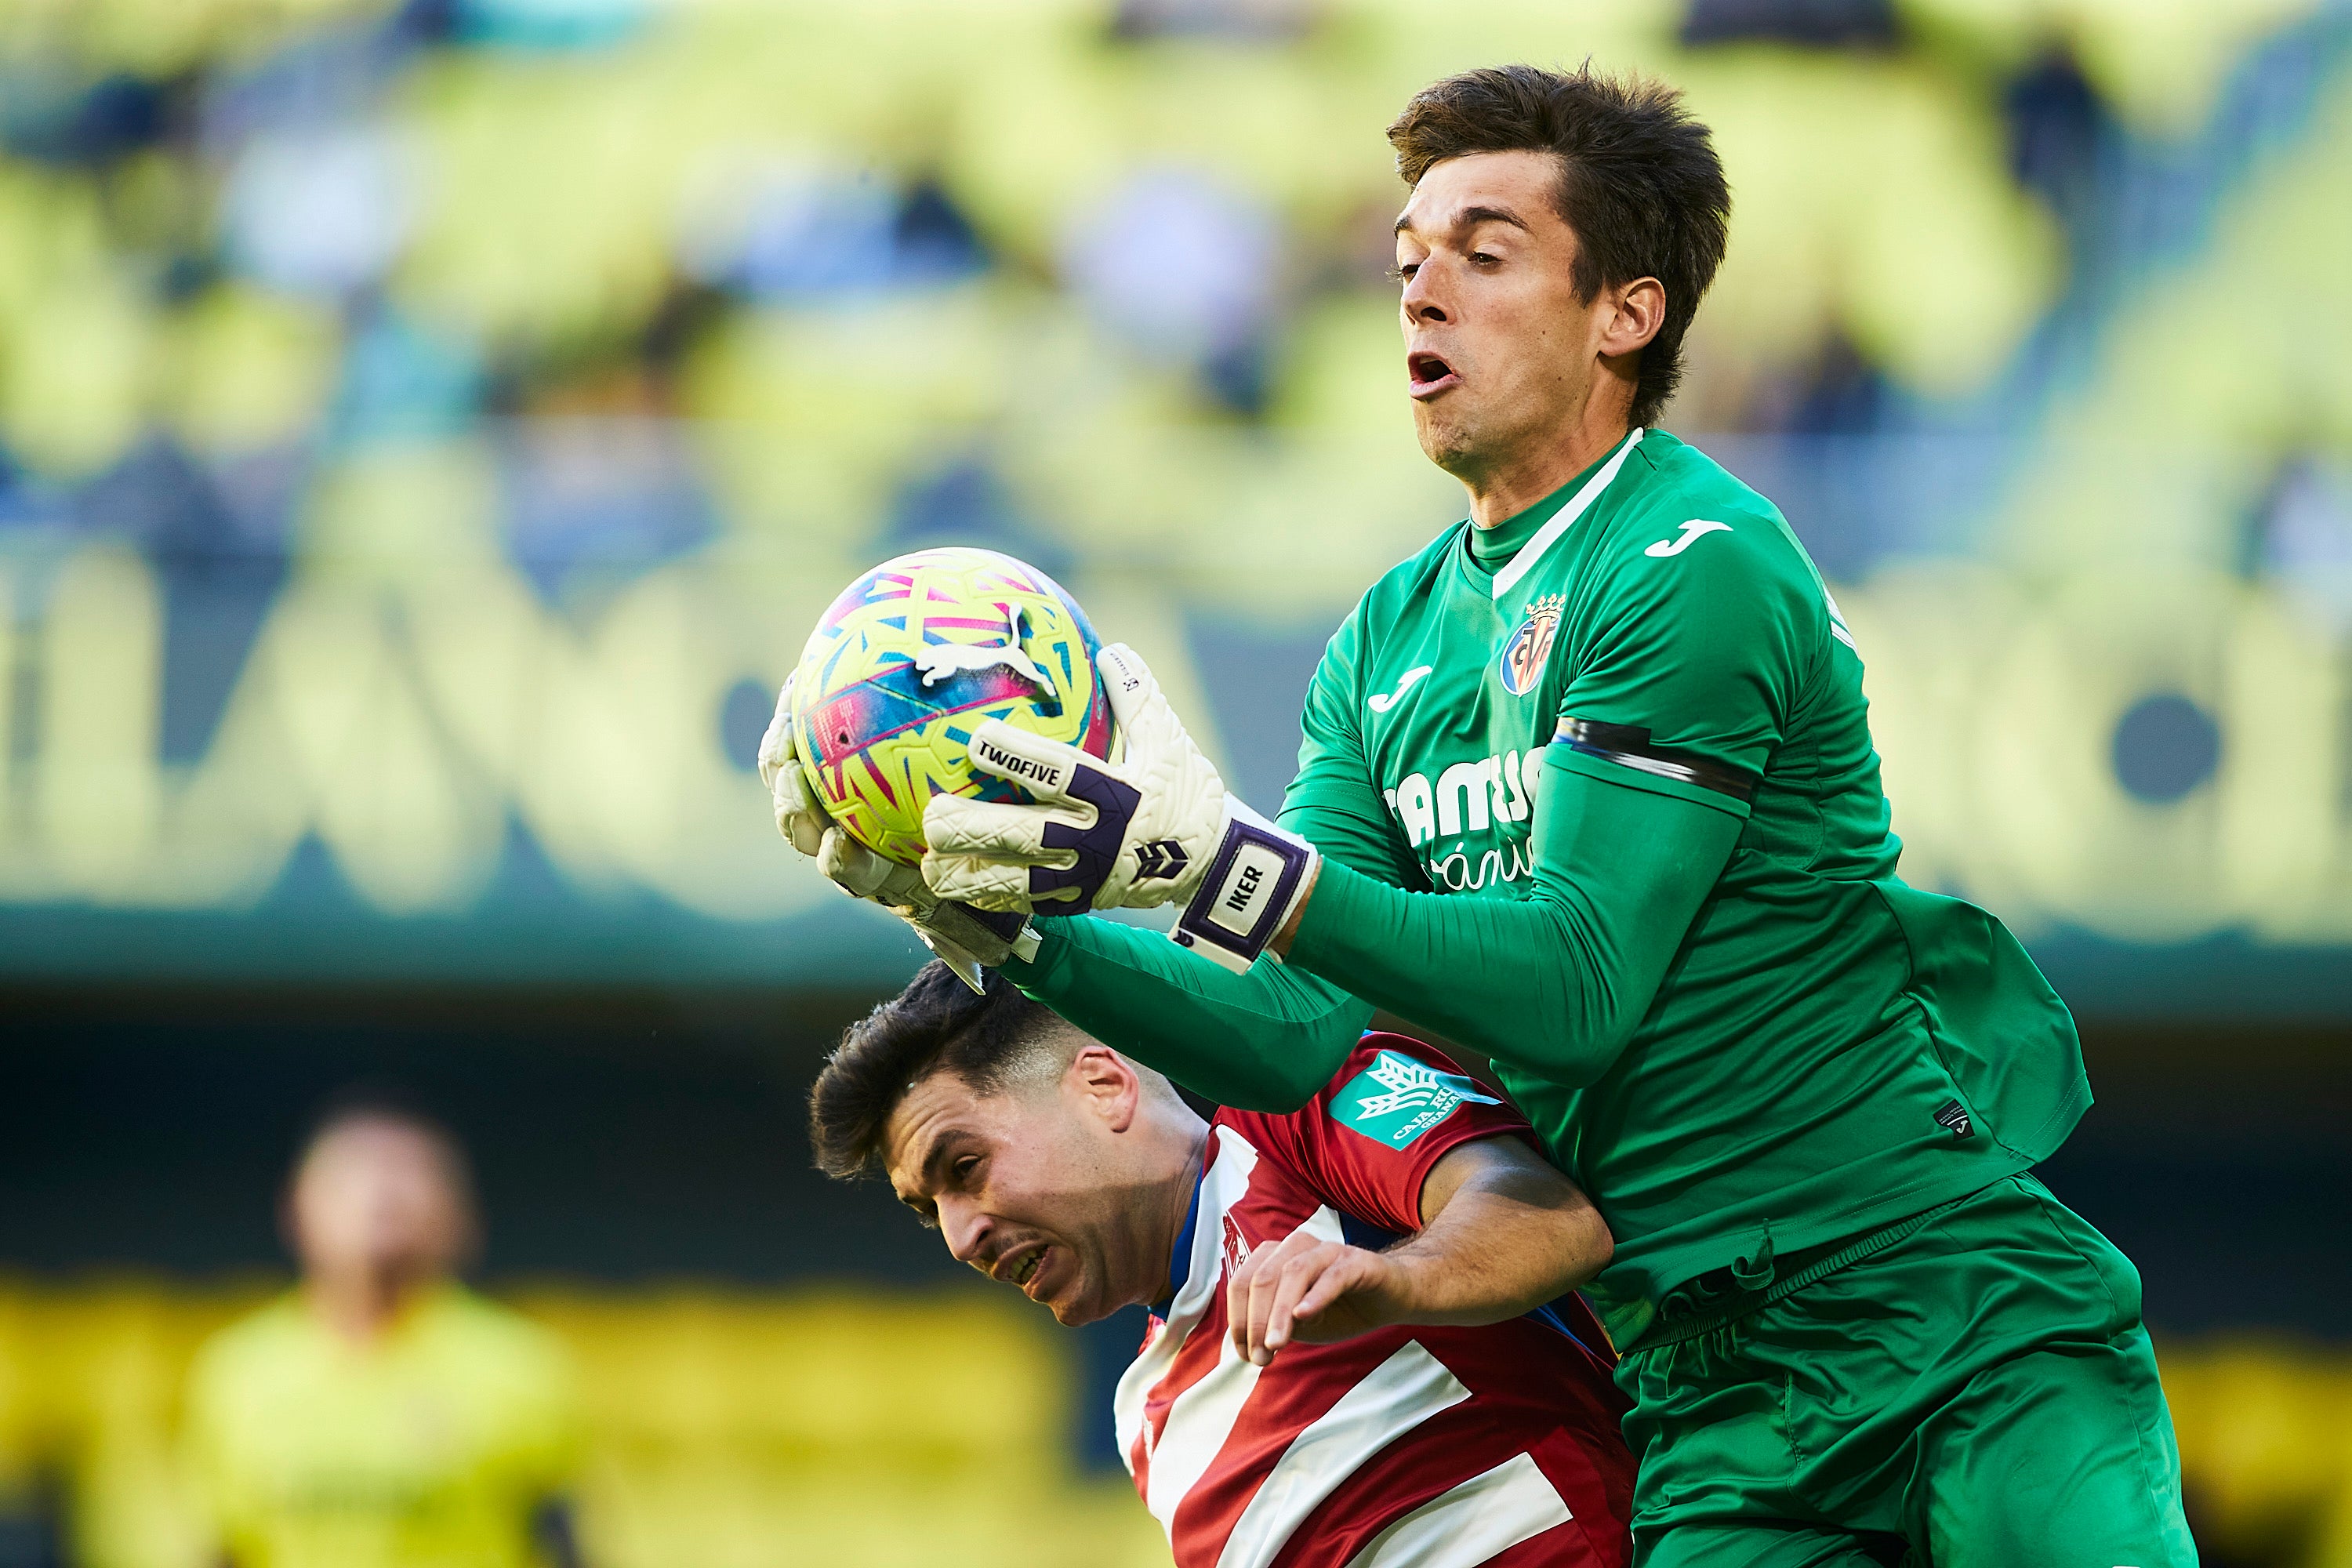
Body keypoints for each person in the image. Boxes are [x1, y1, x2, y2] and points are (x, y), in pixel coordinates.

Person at [764, 64, 2195, 1567]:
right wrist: (1005, 939)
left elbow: (1575, 985)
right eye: (1405, 262)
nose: (1420, 294)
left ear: (1623, 315)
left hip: (1940, 1294)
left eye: (1482, 254)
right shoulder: (1386, 645)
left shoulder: (1694, 558)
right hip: (1709, 1393)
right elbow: (1301, 1034)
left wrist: (1227, 869)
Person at [808, 960, 1635, 1568]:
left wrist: (1396, 1279)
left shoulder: (1294, 1105)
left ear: (1103, 1084)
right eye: (930, 1211)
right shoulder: (1143, 1419)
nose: (959, 1237)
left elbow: (1554, 1220)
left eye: (963, 1168)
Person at [183, 1091, 585, 1568]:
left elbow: (564, 1544)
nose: (383, 1194)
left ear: (460, 1219)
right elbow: (223, 1547)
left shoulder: (521, 1366)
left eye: (411, 1176)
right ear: (296, 1210)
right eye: (354, 1176)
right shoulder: (239, 1371)